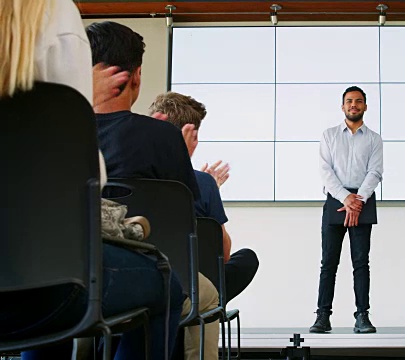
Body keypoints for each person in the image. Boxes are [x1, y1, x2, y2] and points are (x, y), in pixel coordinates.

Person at [0, 2, 183, 359]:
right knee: (166, 283)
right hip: (43, 286)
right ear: (134, 76)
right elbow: (86, 180)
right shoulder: (51, 14)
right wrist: (85, 109)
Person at [86, 20, 220, 359]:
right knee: (179, 290)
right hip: (130, 272)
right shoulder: (162, 138)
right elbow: (183, 218)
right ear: (135, 76)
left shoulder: (54, 131)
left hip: (54, 274)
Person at [148, 91, 260, 360]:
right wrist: (212, 191)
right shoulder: (203, 183)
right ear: (190, 135)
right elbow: (223, 251)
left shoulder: (133, 170)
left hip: (142, 273)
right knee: (245, 260)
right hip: (191, 283)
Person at [310, 86, 383, 334]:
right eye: (349, 101)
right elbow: (325, 171)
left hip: (364, 199)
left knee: (361, 263)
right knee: (328, 262)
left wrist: (358, 200)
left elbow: (375, 172)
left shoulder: (374, 138)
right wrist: (345, 198)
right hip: (335, 199)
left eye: (359, 101)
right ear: (342, 106)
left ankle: (362, 316)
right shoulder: (329, 135)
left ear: (365, 106)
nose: (354, 105)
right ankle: (322, 316)